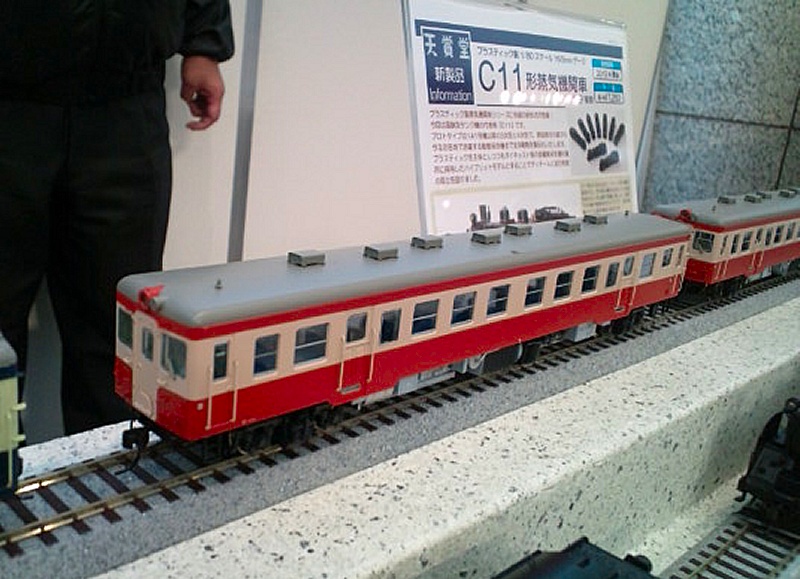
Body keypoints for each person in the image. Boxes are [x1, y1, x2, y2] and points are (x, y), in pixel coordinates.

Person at [0, 1, 235, 434]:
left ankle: (112, 471)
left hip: (125, 108)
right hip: (9, 98)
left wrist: (205, 43)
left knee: (118, 331)